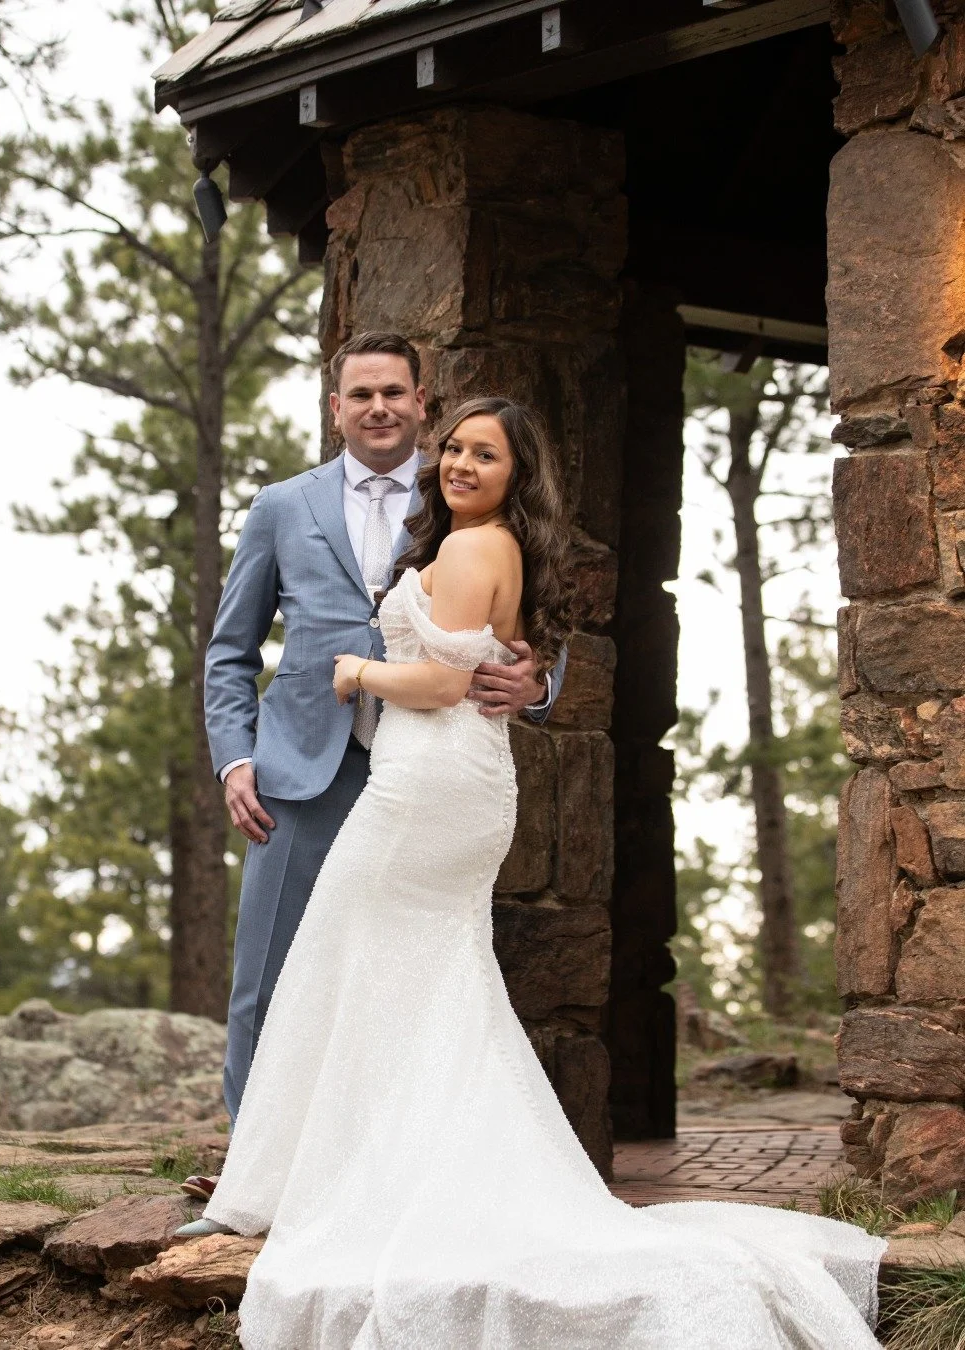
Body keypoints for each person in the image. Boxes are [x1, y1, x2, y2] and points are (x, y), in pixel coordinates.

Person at [194, 395, 886, 1348]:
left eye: (484, 454)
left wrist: (355, 673)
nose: (459, 464)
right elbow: (261, 648)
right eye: (455, 449)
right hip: (434, 780)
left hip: (425, 787)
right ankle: (361, 1169)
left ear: (515, 472)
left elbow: (448, 681)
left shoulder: (474, 547)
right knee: (417, 979)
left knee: (345, 958)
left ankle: (338, 1183)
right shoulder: (424, 530)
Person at [178, 334, 563, 1212]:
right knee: (273, 973)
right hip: (299, 770)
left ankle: (375, 1172)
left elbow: (532, 618)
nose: (379, 407)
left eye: (395, 392)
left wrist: (538, 684)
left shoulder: (459, 490)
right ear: (336, 408)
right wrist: (235, 758)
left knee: (404, 975)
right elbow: (230, 650)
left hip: (424, 771)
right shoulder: (282, 506)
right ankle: (254, 1168)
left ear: (422, 401)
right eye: (361, 395)